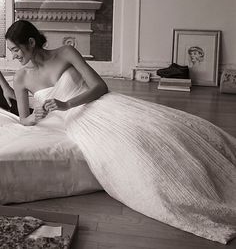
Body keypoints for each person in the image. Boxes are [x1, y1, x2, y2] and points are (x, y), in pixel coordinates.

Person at [2, 20, 236, 244]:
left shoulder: (65, 53)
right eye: (11, 52)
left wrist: (67, 104)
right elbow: (24, 119)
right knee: (135, 146)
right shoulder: (21, 76)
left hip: (104, 105)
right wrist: (36, 116)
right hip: (78, 123)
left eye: (15, 50)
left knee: (163, 126)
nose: (14, 56)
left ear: (31, 42)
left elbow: (100, 87)